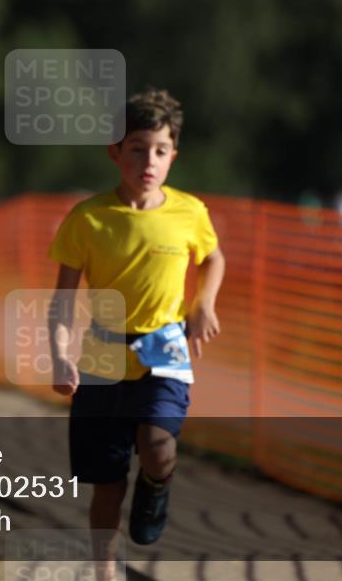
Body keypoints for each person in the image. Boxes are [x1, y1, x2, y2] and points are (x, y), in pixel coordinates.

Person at [47, 89, 225, 580]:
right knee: (106, 485)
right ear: (115, 153)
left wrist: (203, 303)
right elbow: (63, 298)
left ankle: (156, 482)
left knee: (158, 446)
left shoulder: (189, 212)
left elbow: (212, 258)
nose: (149, 161)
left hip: (163, 348)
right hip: (101, 356)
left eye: (161, 151)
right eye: (138, 148)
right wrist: (61, 356)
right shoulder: (88, 218)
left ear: (174, 156)